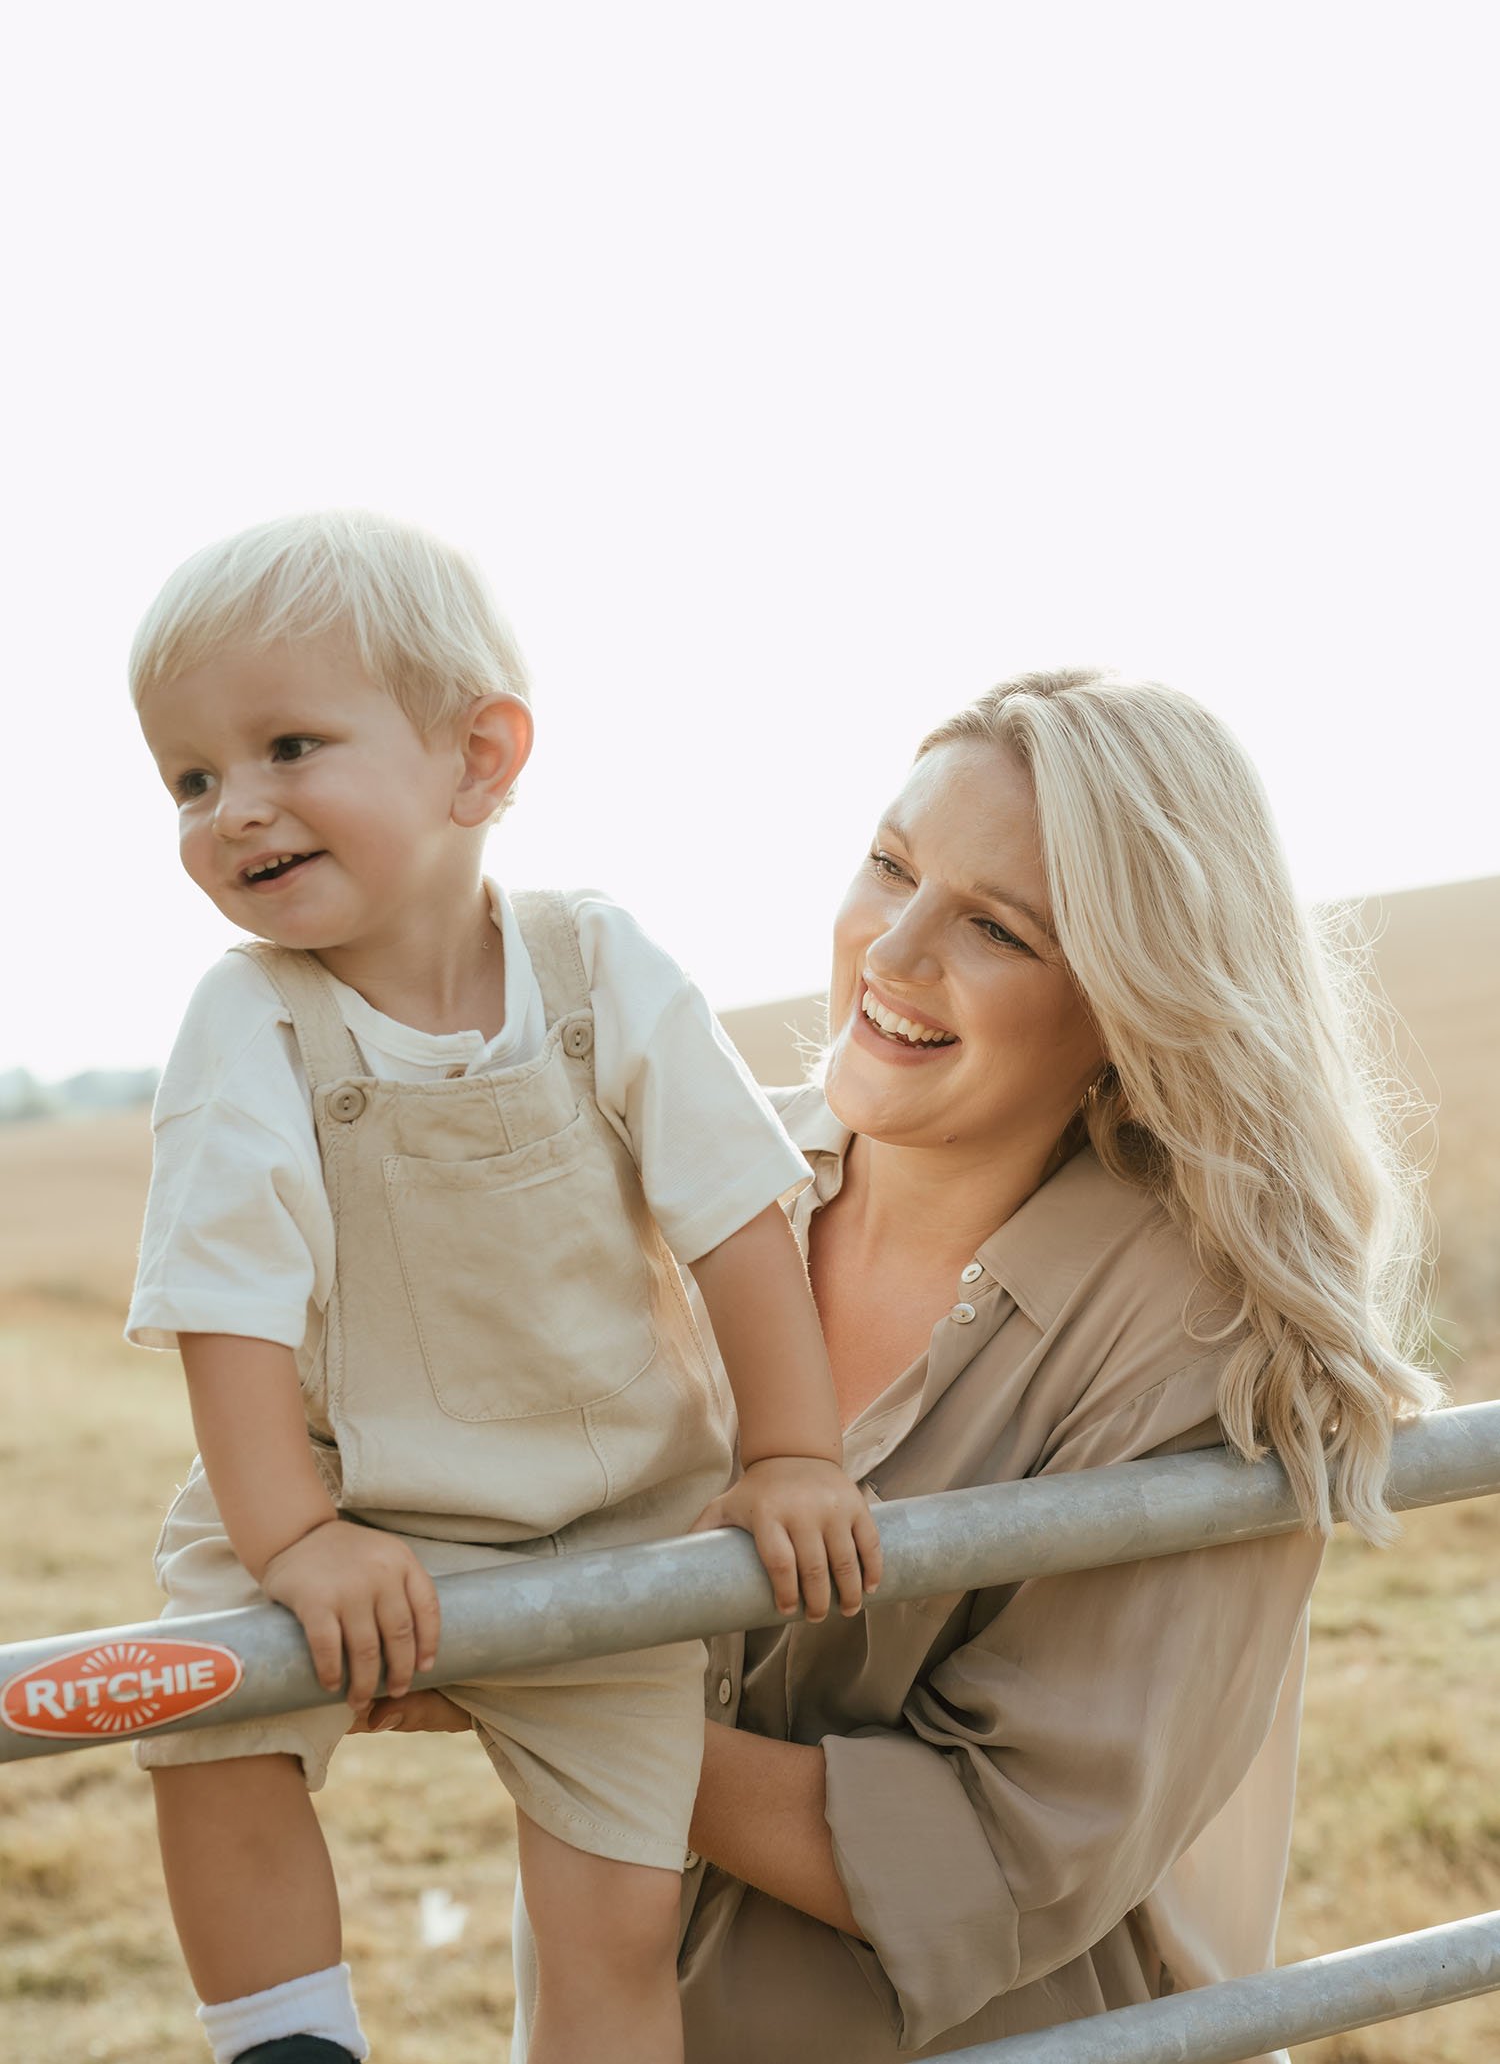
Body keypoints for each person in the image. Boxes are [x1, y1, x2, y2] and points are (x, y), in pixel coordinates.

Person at [375, 666, 1438, 2064]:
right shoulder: (683, 1191)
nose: (894, 949)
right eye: (890, 864)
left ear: (1132, 1001)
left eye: (996, 928)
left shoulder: (1197, 1331)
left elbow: (1003, 1851)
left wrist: (543, 1686)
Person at [123, 508, 880, 2064]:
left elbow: (742, 1219)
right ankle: (288, 2042)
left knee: (610, 1920)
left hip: (602, 1520)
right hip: (330, 1494)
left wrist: (792, 1454)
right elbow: (229, 1300)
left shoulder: (599, 967)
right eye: (190, 778)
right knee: (207, 1728)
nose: (231, 810)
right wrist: (298, 1536)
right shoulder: (245, 1019)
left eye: (286, 745)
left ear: (479, 758)